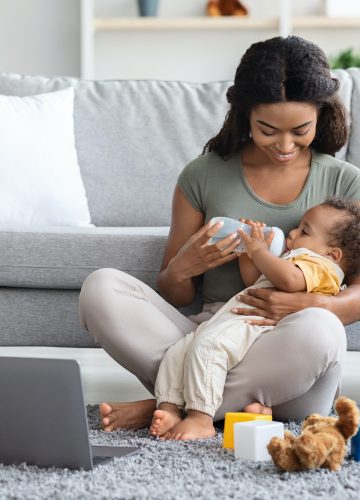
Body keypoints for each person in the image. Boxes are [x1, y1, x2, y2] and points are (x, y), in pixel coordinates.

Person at [79, 35, 360, 433]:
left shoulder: (346, 184)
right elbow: (176, 292)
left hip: (289, 356)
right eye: (267, 130)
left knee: (323, 331)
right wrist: (183, 268)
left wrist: (312, 305)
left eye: (301, 130)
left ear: (320, 114)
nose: (284, 145)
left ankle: (170, 406)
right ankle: (218, 404)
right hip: (209, 334)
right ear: (244, 115)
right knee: (100, 288)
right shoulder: (204, 174)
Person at [149, 198, 360, 440]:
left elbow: (289, 280)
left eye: (304, 231)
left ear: (332, 254)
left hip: (254, 324)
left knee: (209, 348)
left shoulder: (322, 268)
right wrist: (247, 254)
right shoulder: (296, 260)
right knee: (179, 352)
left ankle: (200, 418)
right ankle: (168, 409)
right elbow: (254, 282)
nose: (292, 233)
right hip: (235, 320)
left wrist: (259, 250)